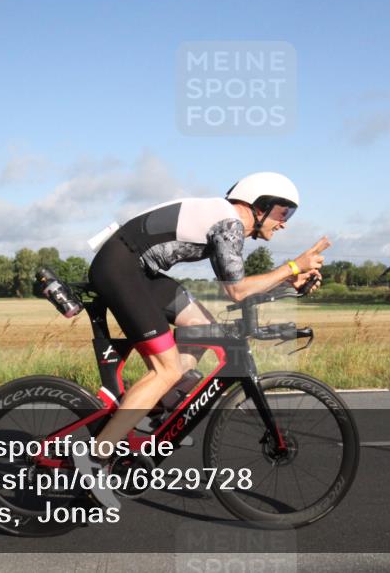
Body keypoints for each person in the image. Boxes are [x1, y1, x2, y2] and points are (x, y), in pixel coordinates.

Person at [71, 172, 330, 509]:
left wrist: (288, 285)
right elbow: (236, 291)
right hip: (121, 267)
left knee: (206, 329)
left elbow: (241, 290)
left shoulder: (225, 220)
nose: (284, 224)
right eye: (284, 213)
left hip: (140, 270)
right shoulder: (229, 223)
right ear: (261, 206)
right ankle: (94, 460)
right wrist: (293, 267)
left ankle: (156, 408)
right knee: (166, 369)